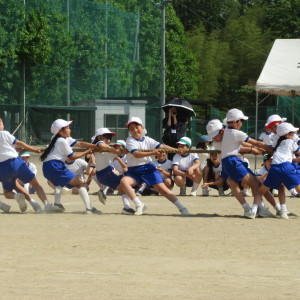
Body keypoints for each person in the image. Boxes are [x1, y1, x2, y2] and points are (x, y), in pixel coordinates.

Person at [206, 117, 280, 219]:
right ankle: (259, 209)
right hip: (232, 163)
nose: (213, 138)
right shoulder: (218, 142)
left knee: (253, 183)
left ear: (221, 131)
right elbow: (239, 148)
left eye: (215, 135)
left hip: (234, 163)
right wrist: (252, 149)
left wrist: (255, 148)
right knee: (251, 183)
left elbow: (241, 142)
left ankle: (267, 208)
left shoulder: (230, 134)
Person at [120, 117, 189, 216]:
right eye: (131, 128)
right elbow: (136, 154)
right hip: (133, 170)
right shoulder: (130, 140)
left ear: (142, 128)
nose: (134, 130)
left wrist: (177, 150)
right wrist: (153, 152)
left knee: (162, 189)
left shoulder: (148, 140)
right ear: (129, 131)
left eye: (136, 127)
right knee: (124, 182)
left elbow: (162, 146)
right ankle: (139, 205)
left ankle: (182, 208)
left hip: (148, 169)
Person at [40, 119, 101, 214]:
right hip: (56, 166)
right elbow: (72, 157)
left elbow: (80, 144)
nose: (69, 130)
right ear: (61, 131)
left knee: (59, 184)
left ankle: (57, 204)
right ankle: (90, 208)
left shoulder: (56, 138)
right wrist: (87, 151)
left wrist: (94, 146)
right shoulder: (62, 141)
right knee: (80, 184)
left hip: (47, 167)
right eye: (67, 128)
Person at [0, 117, 53, 213]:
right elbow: (19, 143)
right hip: (15, 162)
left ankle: (26, 200)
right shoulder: (4, 133)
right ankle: (46, 204)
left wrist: (15, 149)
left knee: (8, 192)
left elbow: (4, 150)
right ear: (1, 124)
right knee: (36, 185)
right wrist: (33, 149)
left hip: (2, 167)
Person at [259, 123, 300, 219]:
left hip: (275, 168)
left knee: (261, 190)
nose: (294, 134)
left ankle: (260, 208)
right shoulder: (290, 142)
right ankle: (282, 211)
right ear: (287, 134)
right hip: (286, 167)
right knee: (298, 189)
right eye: (292, 133)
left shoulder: (278, 142)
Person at [92, 129, 135, 215]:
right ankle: (126, 208)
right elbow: (102, 145)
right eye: (107, 137)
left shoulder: (104, 147)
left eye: (110, 138)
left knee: (124, 186)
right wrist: (115, 150)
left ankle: (103, 191)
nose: (108, 140)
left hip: (105, 173)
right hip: (105, 173)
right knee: (125, 188)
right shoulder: (99, 144)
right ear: (99, 137)